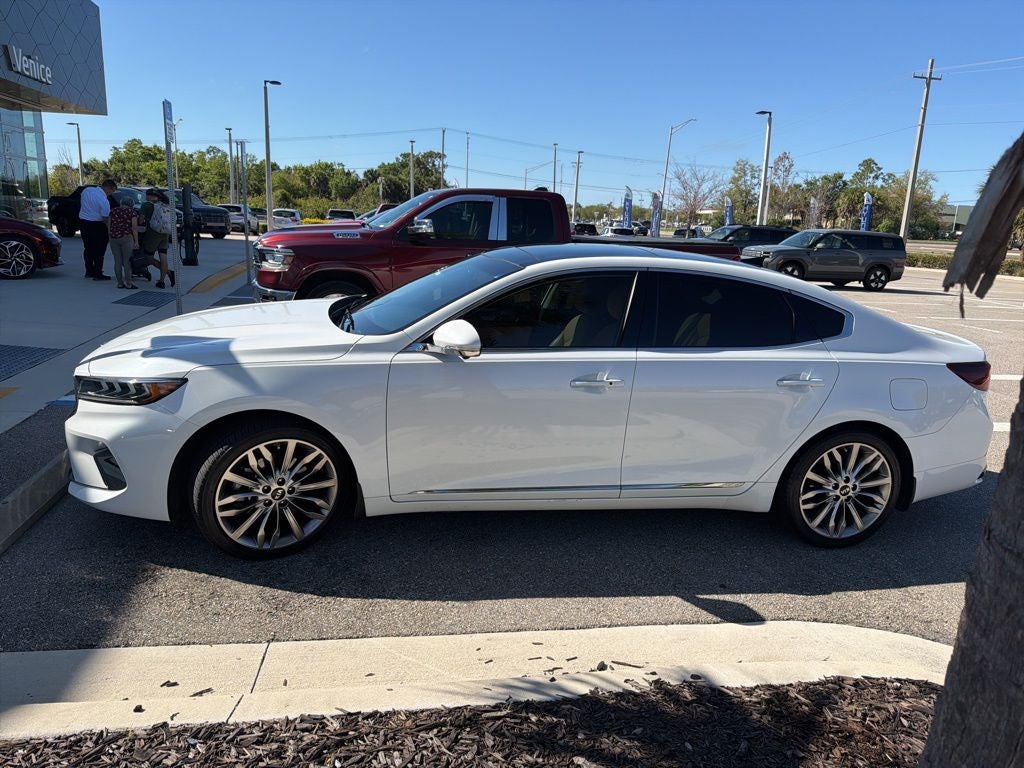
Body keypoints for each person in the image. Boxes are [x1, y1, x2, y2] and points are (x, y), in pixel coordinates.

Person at [79, 179, 116, 280]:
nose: (111, 194)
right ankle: (98, 273)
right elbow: (105, 218)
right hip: (97, 225)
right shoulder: (104, 201)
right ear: (109, 188)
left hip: (84, 223)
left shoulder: (87, 190)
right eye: (112, 191)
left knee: (88, 248)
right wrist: (110, 231)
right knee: (99, 250)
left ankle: (89, 271)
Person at [139, 188, 175, 289]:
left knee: (149, 257)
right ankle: (162, 281)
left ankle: (169, 273)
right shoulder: (165, 205)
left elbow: (141, 220)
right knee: (163, 256)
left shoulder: (146, 205)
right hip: (165, 233)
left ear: (150, 196)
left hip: (153, 234)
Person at [107, 198, 139, 289]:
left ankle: (120, 283)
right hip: (126, 237)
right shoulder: (132, 212)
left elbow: (109, 226)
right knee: (127, 261)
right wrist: (136, 241)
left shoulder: (112, 211)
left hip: (114, 238)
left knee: (117, 261)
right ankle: (129, 283)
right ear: (131, 204)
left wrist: (110, 237)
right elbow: (134, 228)